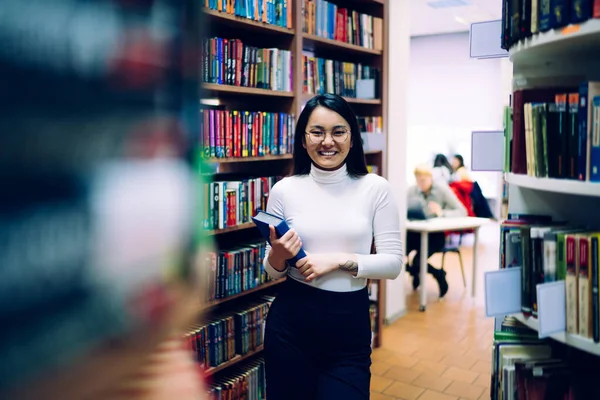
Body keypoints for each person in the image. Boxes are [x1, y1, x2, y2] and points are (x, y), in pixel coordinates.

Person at [261, 94, 402, 400]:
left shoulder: (375, 188)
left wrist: (337, 260)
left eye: (338, 132)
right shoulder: (284, 190)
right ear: (303, 139)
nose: (328, 142)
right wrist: (278, 255)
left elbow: (393, 264)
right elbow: (272, 273)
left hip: (348, 326)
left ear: (352, 138)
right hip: (290, 325)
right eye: (317, 132)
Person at [406, 164, 467, 297]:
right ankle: (416, 272)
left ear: (430, 178)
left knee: (417, 261)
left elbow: (462, 211)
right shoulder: (412, 190)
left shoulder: (442, 190)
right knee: (396, 255)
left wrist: (441, 212)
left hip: (435, 236)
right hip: (415, 234)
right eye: (417, 180)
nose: (420, 184)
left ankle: (438, 275)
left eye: (423, 180)